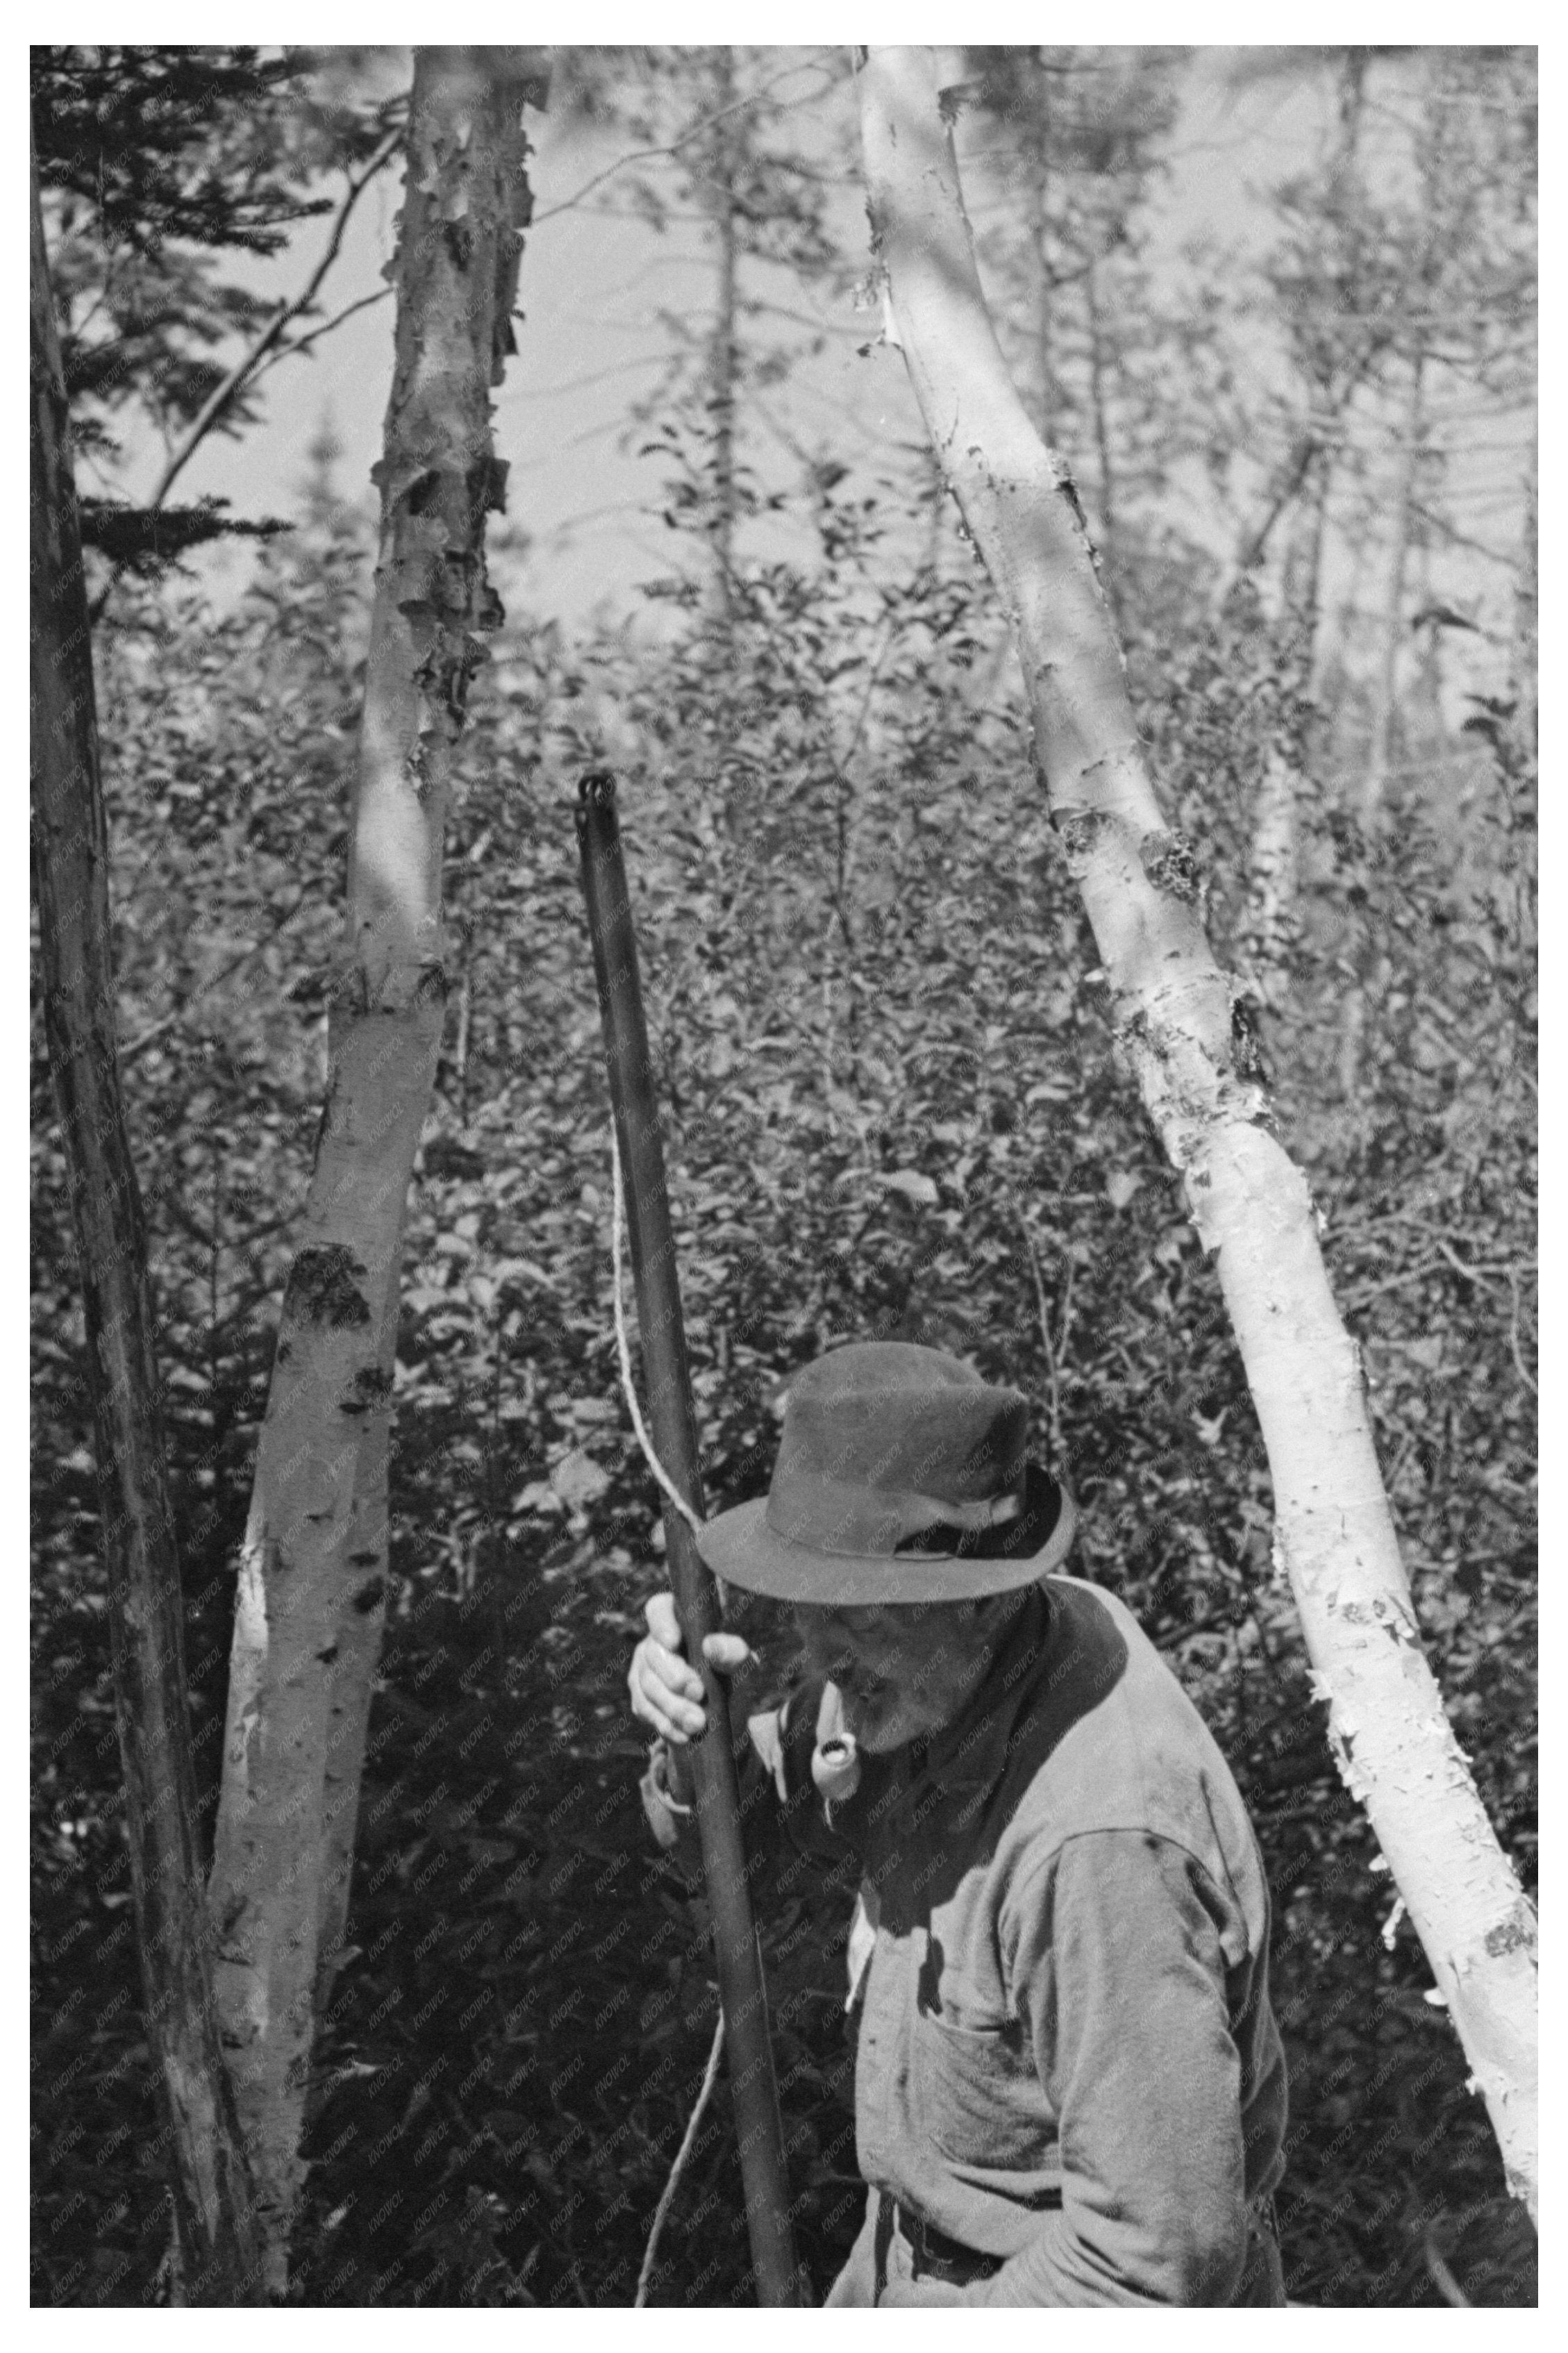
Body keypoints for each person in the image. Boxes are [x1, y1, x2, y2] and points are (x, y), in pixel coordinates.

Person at [628, 1340, 1287, 2306]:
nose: (821, 1650)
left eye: (860, 1611)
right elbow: (734, 1836)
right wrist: (696, 1734)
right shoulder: (935, 1671)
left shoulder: (1096, 1848)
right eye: (809, 1602)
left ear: (982, 1598)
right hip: (904, 2259)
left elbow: (1152, 2270)